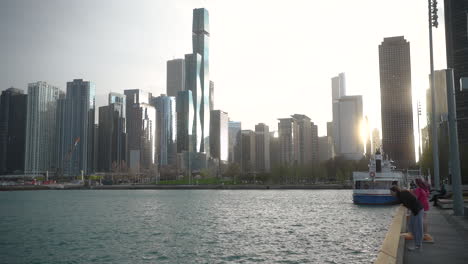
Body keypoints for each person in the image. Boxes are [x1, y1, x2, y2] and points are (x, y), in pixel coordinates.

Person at [390, 185, 424, 251]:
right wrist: (385, 204)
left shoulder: (403, 194)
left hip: (417, 210)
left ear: (395, 191)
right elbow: (399, 202)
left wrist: (405, 205)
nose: (390, 194)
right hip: (414, 211)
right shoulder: (401, 195)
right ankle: (417, 244)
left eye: (391, 192)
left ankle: (418, 246)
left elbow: (409, 201)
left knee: (417, 228)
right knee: (411, 227)